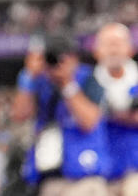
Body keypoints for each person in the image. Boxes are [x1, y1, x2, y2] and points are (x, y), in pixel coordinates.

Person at [14, 35, 111, 196]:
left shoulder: (89, 78)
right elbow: (20, 115)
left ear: (74, 58)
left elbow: (89, 121)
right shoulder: (40, 81)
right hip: (50, 174)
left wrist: (67, 83)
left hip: (85, 173)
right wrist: (29, 77)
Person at [91, 24, 138, 196]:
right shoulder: (85, 82)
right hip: (95, 171)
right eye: (107, 44)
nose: (113, 49)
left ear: (131, 49)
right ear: (96, 51)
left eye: (118, 43)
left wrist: (111, 113)